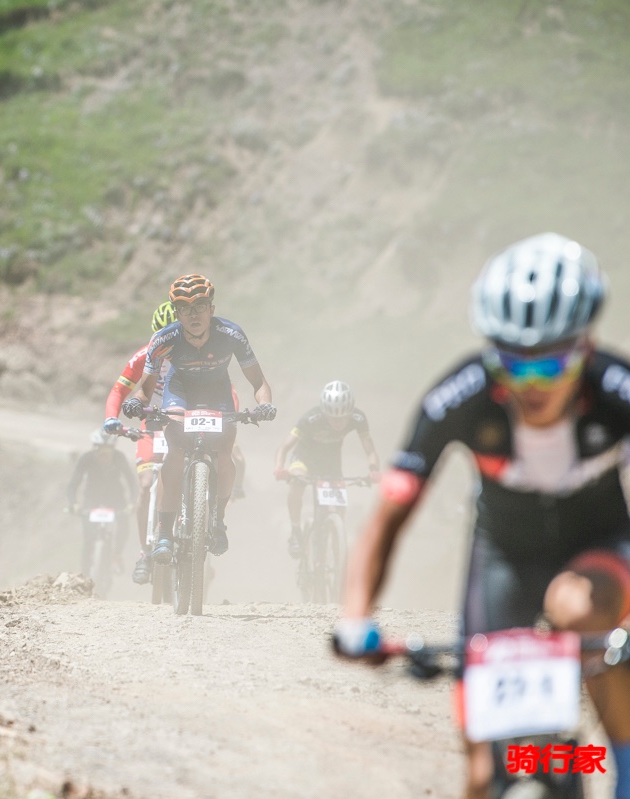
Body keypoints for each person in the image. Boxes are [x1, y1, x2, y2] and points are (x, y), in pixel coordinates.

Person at [335, 233, 630, 799]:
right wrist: (355, 618)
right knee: (483, 775)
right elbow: (390, 517)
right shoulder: (461, 394)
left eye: (551, 362)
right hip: (503, 557)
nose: (531, 383)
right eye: (513, 363)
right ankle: (544, 767)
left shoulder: (615, 388)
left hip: (599, 548)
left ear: (586, 347)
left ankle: (624, 761)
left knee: (576, 606)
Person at [122, 274, 276, 562]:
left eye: (200, 306)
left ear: (212, 309)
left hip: (217, 392)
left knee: (224, 451)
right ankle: (165, 535)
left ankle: (217, 521)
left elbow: (259, 382)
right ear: (177, 313)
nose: (194, 314)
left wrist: (265, 404)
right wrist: (134, 403)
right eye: (185, 309)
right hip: (179, 391)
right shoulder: (164, 339)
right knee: (175, 452)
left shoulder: (231, 335)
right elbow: (144, 391)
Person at [104, 301, 249, 585]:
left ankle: (204, 519)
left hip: (192, 416)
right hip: (153, 422)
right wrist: (111, 417)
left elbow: (228, 391)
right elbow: (120, 389)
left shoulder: (201, 357)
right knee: (146, 485)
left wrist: (229, 421)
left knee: (224, 457)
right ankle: (145, 552)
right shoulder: (147, 355)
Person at [273, 381, 381, 558]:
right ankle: (295, 531)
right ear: (324, 412)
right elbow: (284, 447)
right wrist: (279, 468)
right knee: (297, 483)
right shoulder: (310, 418)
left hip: (330, 463)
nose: (338, 423)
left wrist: (374, 469)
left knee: (339, 508)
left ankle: (336, 545)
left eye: (343, 418)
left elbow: (369, 448)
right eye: (332, 418)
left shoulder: (358, 418)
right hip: (304, 459)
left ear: (350, 412)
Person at [66, 428, 138, 578]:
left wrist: (132, 503)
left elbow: (132, 483)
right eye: (100, 451)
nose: (104, 455)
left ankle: (117, 554)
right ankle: (84, 575)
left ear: (113, 450)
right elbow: (73, 485)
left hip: (116, 498)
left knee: (123, 524)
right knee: (88, 539)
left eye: (108, 451)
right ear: (94, 449)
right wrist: (74, 504)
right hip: (91, 499)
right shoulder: (86, 459)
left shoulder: (119, 458)